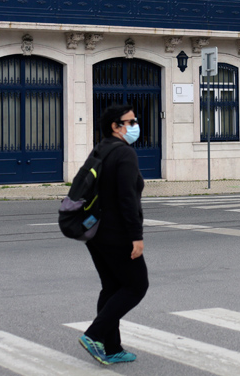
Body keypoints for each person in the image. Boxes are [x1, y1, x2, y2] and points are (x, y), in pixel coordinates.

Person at [78, 104, 148, 366]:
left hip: (94, 231)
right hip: (117, 233)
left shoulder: (100, 149)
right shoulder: (125, 154)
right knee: (136, 286)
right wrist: (136, 236)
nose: (135, 126)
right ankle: (93, 335)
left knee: (112, 287)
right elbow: (127, 199)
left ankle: (112, 348)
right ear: (115, 126)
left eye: (134, 121)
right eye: (130, 122)